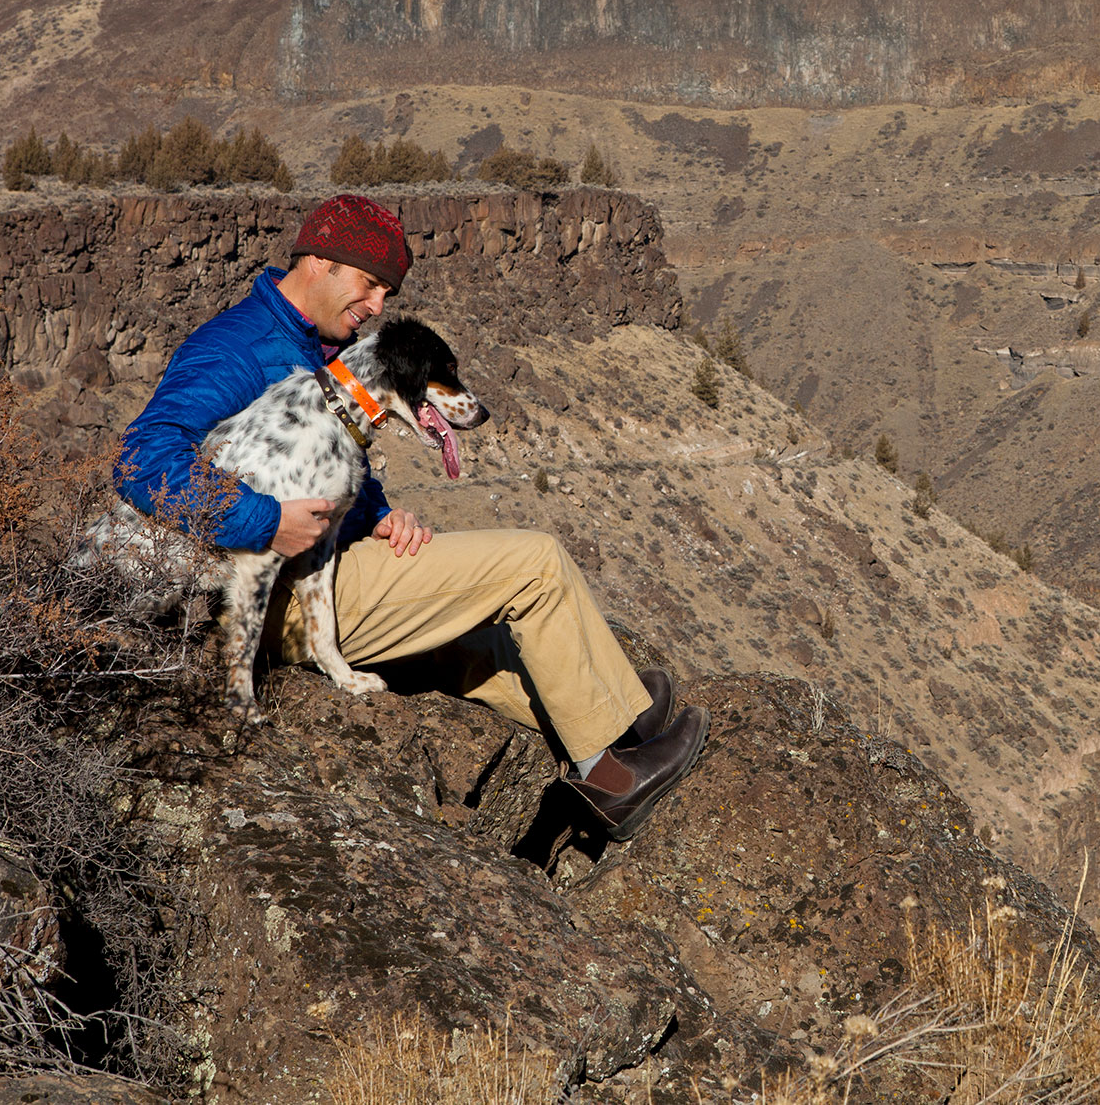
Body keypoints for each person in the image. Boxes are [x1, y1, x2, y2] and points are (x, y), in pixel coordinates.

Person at [118, 193, 707, 840]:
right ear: (318, 262)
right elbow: (144, 460)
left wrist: (375, 514)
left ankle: (612, 725)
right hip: (269, 591)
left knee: (483, 637)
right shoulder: (237, 347)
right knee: (533, 564)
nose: (377, 307)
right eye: (369, 284)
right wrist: (263, 521)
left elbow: (314, 460)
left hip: (316, 560)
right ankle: (610, 779)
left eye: (386, 294)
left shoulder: (313, 343)